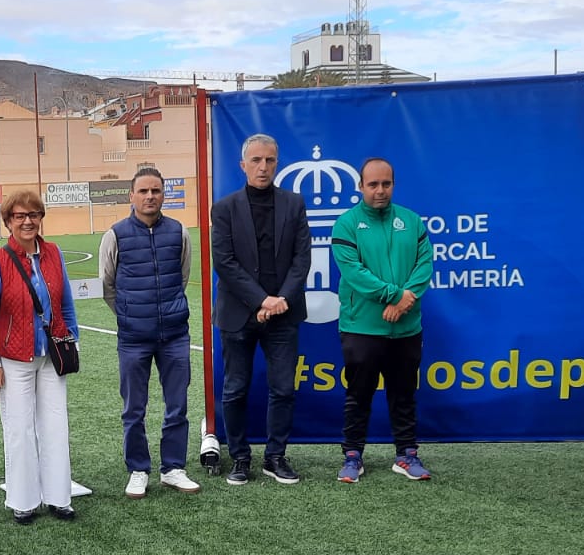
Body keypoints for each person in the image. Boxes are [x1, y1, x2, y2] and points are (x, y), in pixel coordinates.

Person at [210, 133, 312, 485]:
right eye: (256, 160)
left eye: (269, 160)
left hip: (284, 313)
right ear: (243, 165)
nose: (263, 166)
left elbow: (302, 260)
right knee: (235, 389)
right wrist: (261, 300)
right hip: (239, 314)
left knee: (283, 389)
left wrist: (280, 299)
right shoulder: (223, 209)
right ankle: (240, 457)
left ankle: (275, 457)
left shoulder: (295, 205)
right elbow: (224, 262)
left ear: (277, 163)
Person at [330, 157, 435, 482]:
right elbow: (353, 272)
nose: (380, 191)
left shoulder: (412, 221)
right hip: (362, 326)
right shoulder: (346, 224)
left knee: (403, 393)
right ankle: (352, 456)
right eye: (373, 184)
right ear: (360, 186)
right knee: (358, 394)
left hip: (406, 327)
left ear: (393, 184)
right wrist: (393, 295)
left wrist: (404, 303)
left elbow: (424, 265)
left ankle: (406, 455)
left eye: (385, 184)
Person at [0, 189, 81, 523]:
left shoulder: (54, 253)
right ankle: (23, 501)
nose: (27, 221)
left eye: (33, 214)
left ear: (41, 219)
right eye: (20, 216)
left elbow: (65, 301)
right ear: (8, 221)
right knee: (20, 428)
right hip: (13, 357)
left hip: (52, 354)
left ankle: (58, 497)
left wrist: (73, 339)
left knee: (55, 424)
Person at [99, 166, 200, 498]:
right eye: (143, 191)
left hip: (174, 334)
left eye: (155, 190)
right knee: (134, 408)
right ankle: (138, 469)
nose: (150, 196)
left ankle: (173, 467)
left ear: (163, 194)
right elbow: (108, 286)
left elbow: (181, 277)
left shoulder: (178, 232)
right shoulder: (115, 235)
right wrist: (130, 316)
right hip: (133, 338)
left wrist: (165, 311)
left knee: (177, 404)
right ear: (131, 196)